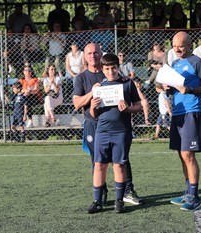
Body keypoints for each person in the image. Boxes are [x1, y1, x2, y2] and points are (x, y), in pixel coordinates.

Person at [73, 43, 144, 208]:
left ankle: (126, 192)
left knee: (121, 162)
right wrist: (92, 96)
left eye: (96, 52)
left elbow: (137, 101)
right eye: (89, 53)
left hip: (120, 126)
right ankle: (100, 196)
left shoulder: (122, 80)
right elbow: (77, 103)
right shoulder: (82, 77)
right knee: (98, 163)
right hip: (95, 125)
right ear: (85, 56)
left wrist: (127, 80)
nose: (93, 56)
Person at [168, 31, 201, 211]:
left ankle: (194, 197)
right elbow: (175, 88)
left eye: (181, 45)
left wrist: (191, 90)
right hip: (178, 113)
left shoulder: (197, 62)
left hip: (192, 111)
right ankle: (188, 192)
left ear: (189, 45)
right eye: (174, 45)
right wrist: (166, 87)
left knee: (188, 154)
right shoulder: (174, 63)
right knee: (181, 154)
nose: (177, 49)